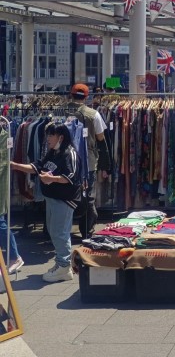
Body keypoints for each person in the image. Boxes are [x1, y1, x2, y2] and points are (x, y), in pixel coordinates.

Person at [11, 124, 82, 282]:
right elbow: (37, 167)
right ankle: (60, 264)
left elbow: (71, 177)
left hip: (64, 199)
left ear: (60, 137)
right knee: (53, 231)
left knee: (60, 232)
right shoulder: (53, 152)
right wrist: (15, 166)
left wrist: (52, 179)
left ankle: (64, 266)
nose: (47, 139)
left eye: (51, 135)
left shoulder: (69, 153)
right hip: (52, 198)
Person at [68, 83, 110, 239]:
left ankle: (61, 226)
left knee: (65, 195)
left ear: (70, 95)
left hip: (66, 162)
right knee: (88, 195)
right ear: (86, 97)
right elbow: (101, 138)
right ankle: (86, 229)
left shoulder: (61, 112)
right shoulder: (94, 114)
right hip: (88, 162)